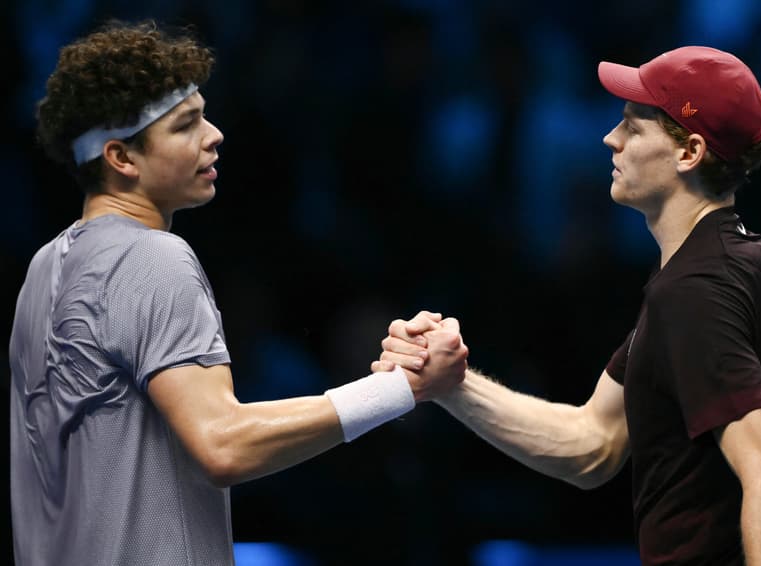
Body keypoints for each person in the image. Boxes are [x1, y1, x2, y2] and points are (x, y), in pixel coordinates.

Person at [9, 20, 468, 566]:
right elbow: (222, 445)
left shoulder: (44, 269)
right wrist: (401, 391)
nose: (214, 134)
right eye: (186, 125)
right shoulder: (152, 257)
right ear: (122, 158)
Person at [376, 46, 761, 565]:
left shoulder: (697, 289)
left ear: (689, 152)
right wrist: (450, 385)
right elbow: (592, 444)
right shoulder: (727, 263)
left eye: (634, 126)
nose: (610, 139)